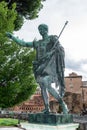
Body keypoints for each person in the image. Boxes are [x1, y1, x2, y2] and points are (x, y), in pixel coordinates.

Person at [6, 24, 68, 114]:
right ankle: (47, 108)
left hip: (50, 66)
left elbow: (60, 49)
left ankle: (62, 104)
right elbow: (24, 44)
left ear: (46, 30)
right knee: (43, 86)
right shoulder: (38, 43)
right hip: (40, 67)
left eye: (42, 29)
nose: (40, 31)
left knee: (46, 83)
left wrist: (51, 53)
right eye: (39, 30)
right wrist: (12, 37)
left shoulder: (52, 39)